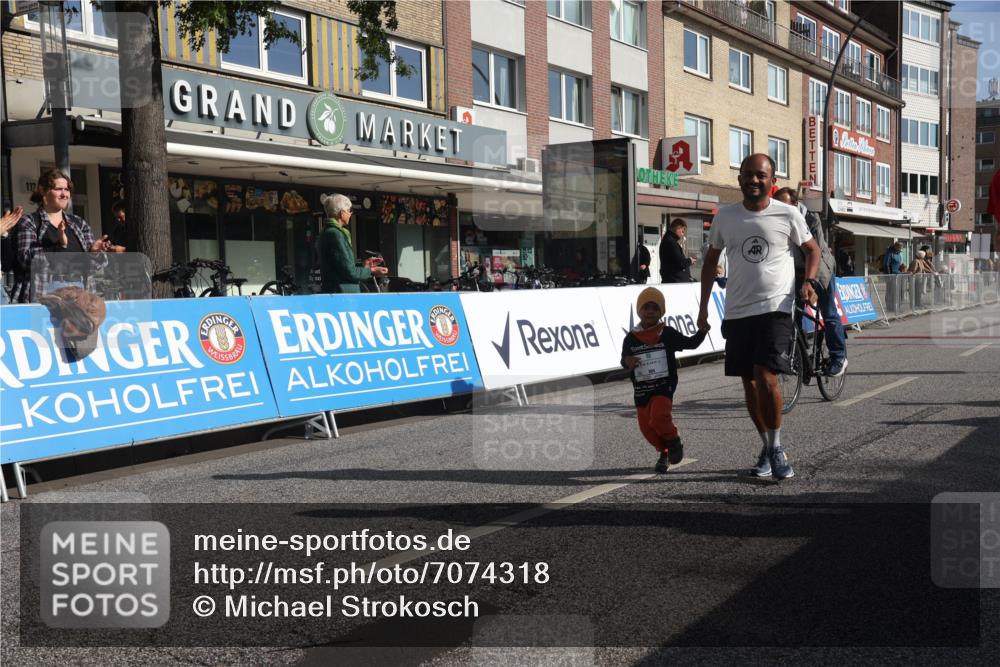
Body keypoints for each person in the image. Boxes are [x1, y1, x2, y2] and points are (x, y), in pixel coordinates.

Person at [697, 154, 820, 480]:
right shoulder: (725, 217)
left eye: (760, 176)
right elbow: (711, 262)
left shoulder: (788, 213)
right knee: (749, 383)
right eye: (748, 175)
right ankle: (767, 445)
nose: (754, 180)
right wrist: (703, 308)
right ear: (739, 179)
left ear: (771, 180)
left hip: (775, 308)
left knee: (766, 376)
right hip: (737, 310)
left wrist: (807, 282)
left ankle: (777, 448)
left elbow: (812, 250)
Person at [621, 287, 708, 473]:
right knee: (647, 429)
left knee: (659, 418)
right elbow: (623, 359)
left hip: (663, 385)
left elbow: (690, 343)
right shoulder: (631, 338)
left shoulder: (667, 332)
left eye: (655, 307)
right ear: (639, 311)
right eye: (646, 307)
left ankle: (674, 440)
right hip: (642, 389)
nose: (650, 311)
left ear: (661, 311)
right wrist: (627, 361)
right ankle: (665, 452)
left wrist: (702, 332)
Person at [774, 188, 846, 376]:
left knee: (828, 312)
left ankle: (839, 356)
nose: (780, 208)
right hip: (796, 271)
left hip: (820, 270)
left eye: (784, 204)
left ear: (795, 204)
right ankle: (798, 352)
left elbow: (817, 252)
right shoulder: (778, 220)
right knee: (791, 313)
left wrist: (811, 283)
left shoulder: (811, 220)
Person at [14, 168, 111, 302]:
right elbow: (25, 260)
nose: (64, 194)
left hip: (80, 289)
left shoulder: (78, 223)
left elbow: (96, 266)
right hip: (47, 290)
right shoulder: (30, 222)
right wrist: (59, 244)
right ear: (43, 191)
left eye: (67, 189)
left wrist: (94, 253)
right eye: (58, 189)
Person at [318, 193, 387, 293]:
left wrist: (364, 265)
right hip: (343, 295)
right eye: (350, 211)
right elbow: (349, 272)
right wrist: (371, 271)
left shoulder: (327, 232)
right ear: (342, 213)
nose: (351, 214)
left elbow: (343, 267)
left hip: (336, 293)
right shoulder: (335, 234)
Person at [659, 219, 694, 283]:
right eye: (682, 231)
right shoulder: (671, 242)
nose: (683, 234)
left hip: (674, 281)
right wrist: (690, 261)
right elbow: (680, 263)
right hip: (675, 282)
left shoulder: (669, 240)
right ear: (678, 228)